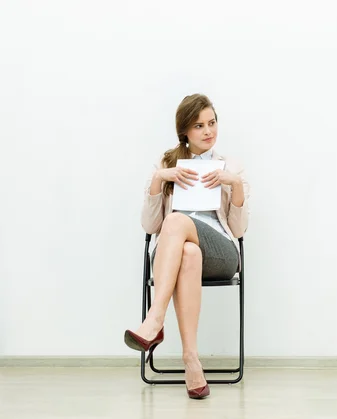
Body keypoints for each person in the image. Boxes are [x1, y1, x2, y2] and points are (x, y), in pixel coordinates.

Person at [124, 94, 250, 399]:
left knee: (177, 222)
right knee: (186, 248)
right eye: (199, 125)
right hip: (176, 252)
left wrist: (235, 185)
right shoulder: (167, 163)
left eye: (212, 123)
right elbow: (150, 226)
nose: (208, 131)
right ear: (185, 131)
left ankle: (155, 319)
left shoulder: (230, 166)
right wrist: (158, 178)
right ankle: (191, 361)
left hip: (219, 251)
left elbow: (238, 228)